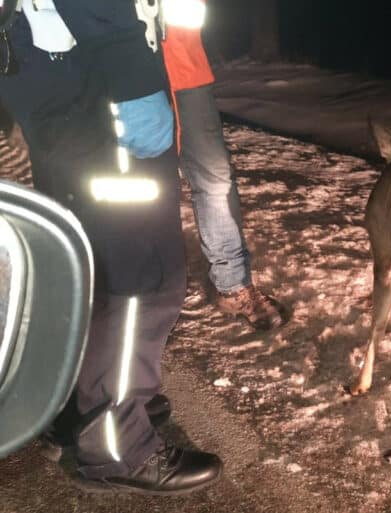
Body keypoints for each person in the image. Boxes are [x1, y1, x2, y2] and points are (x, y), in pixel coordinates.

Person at [0, 0, 221, 495]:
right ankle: (115, 442)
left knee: (89, 263)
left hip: (51, 65)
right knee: (141, 275)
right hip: (96, 76)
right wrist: (132, 75)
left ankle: (81, 407)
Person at [161, 0, 286, 330]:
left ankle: (232, 285)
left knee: (215, 181)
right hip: (123, 81)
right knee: (144, 186)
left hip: (187, 72)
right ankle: (149, 289)